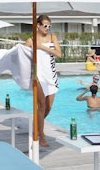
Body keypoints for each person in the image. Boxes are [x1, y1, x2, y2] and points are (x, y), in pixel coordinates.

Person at [24, 14, 61, 147]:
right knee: (41, 106)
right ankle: (41, 135)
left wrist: (42, 47)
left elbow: (59, 54)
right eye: (45, 25)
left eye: (49, 26)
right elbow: (23, 59)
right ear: (38, 26)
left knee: (49, 107)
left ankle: (36, 126)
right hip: (37, 75)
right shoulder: (30, 40)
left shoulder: (53, 37)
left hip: (51, 75)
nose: (47, 28)